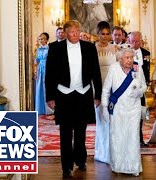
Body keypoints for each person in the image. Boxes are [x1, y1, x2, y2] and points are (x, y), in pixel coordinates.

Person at [45, 20, 102, 178]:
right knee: (65, 132)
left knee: (80, 131)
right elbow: (49, 74)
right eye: (72, 32)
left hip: (83, 94)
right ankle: (66, 166)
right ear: (65, 33)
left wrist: (98, 95)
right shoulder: (55, 48)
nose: (75, 34)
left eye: (77, 31)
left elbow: (96, 73)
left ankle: (81, 160)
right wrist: (49, 97)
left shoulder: (89, 48)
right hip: (64, 95)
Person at [101, 47, 147, 176]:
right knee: (118, 136)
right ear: (120, 59)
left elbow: (144, 85)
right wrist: (105, 107)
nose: (130, 60)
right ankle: (118, 165)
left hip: (134, 108)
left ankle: (133, 167)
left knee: (133, 136)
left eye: (131, 57)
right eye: (127, 58)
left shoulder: (137, 68)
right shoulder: (114, 68)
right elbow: (106, 89)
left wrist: (140, 91)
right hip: (118, 108)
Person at [94, 21, 117, 164]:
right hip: (98, 85)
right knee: (101, 119)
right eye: (102, 33)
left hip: (113, 86)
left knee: (112, 119)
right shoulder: (92, 48)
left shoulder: (115, 48)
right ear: (97, 34)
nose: (105, 36)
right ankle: (102, 152)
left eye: (108, 33)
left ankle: (113, 151)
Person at [128, 31, 150, 147]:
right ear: (128, 40)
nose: (135, 43)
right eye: (132, 41)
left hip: (141, 88)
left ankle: (140, 139)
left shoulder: (146, 53)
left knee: (140, 114)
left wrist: (146, 85)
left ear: (141, 41)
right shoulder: (125, 53)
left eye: (137, 41)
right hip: (127, 89)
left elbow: (147, 70)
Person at [34, 32, 49, 116]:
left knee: (47, 87)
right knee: (40, 87)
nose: (41, 40)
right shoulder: (38, 49)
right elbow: (36, 61)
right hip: (40, 69)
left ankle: (49, 109)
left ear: (46, 40)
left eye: (42, 39)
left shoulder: (49, 48)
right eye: (39, 39)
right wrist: (35, 71)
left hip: (47, 68)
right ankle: (41, 108)